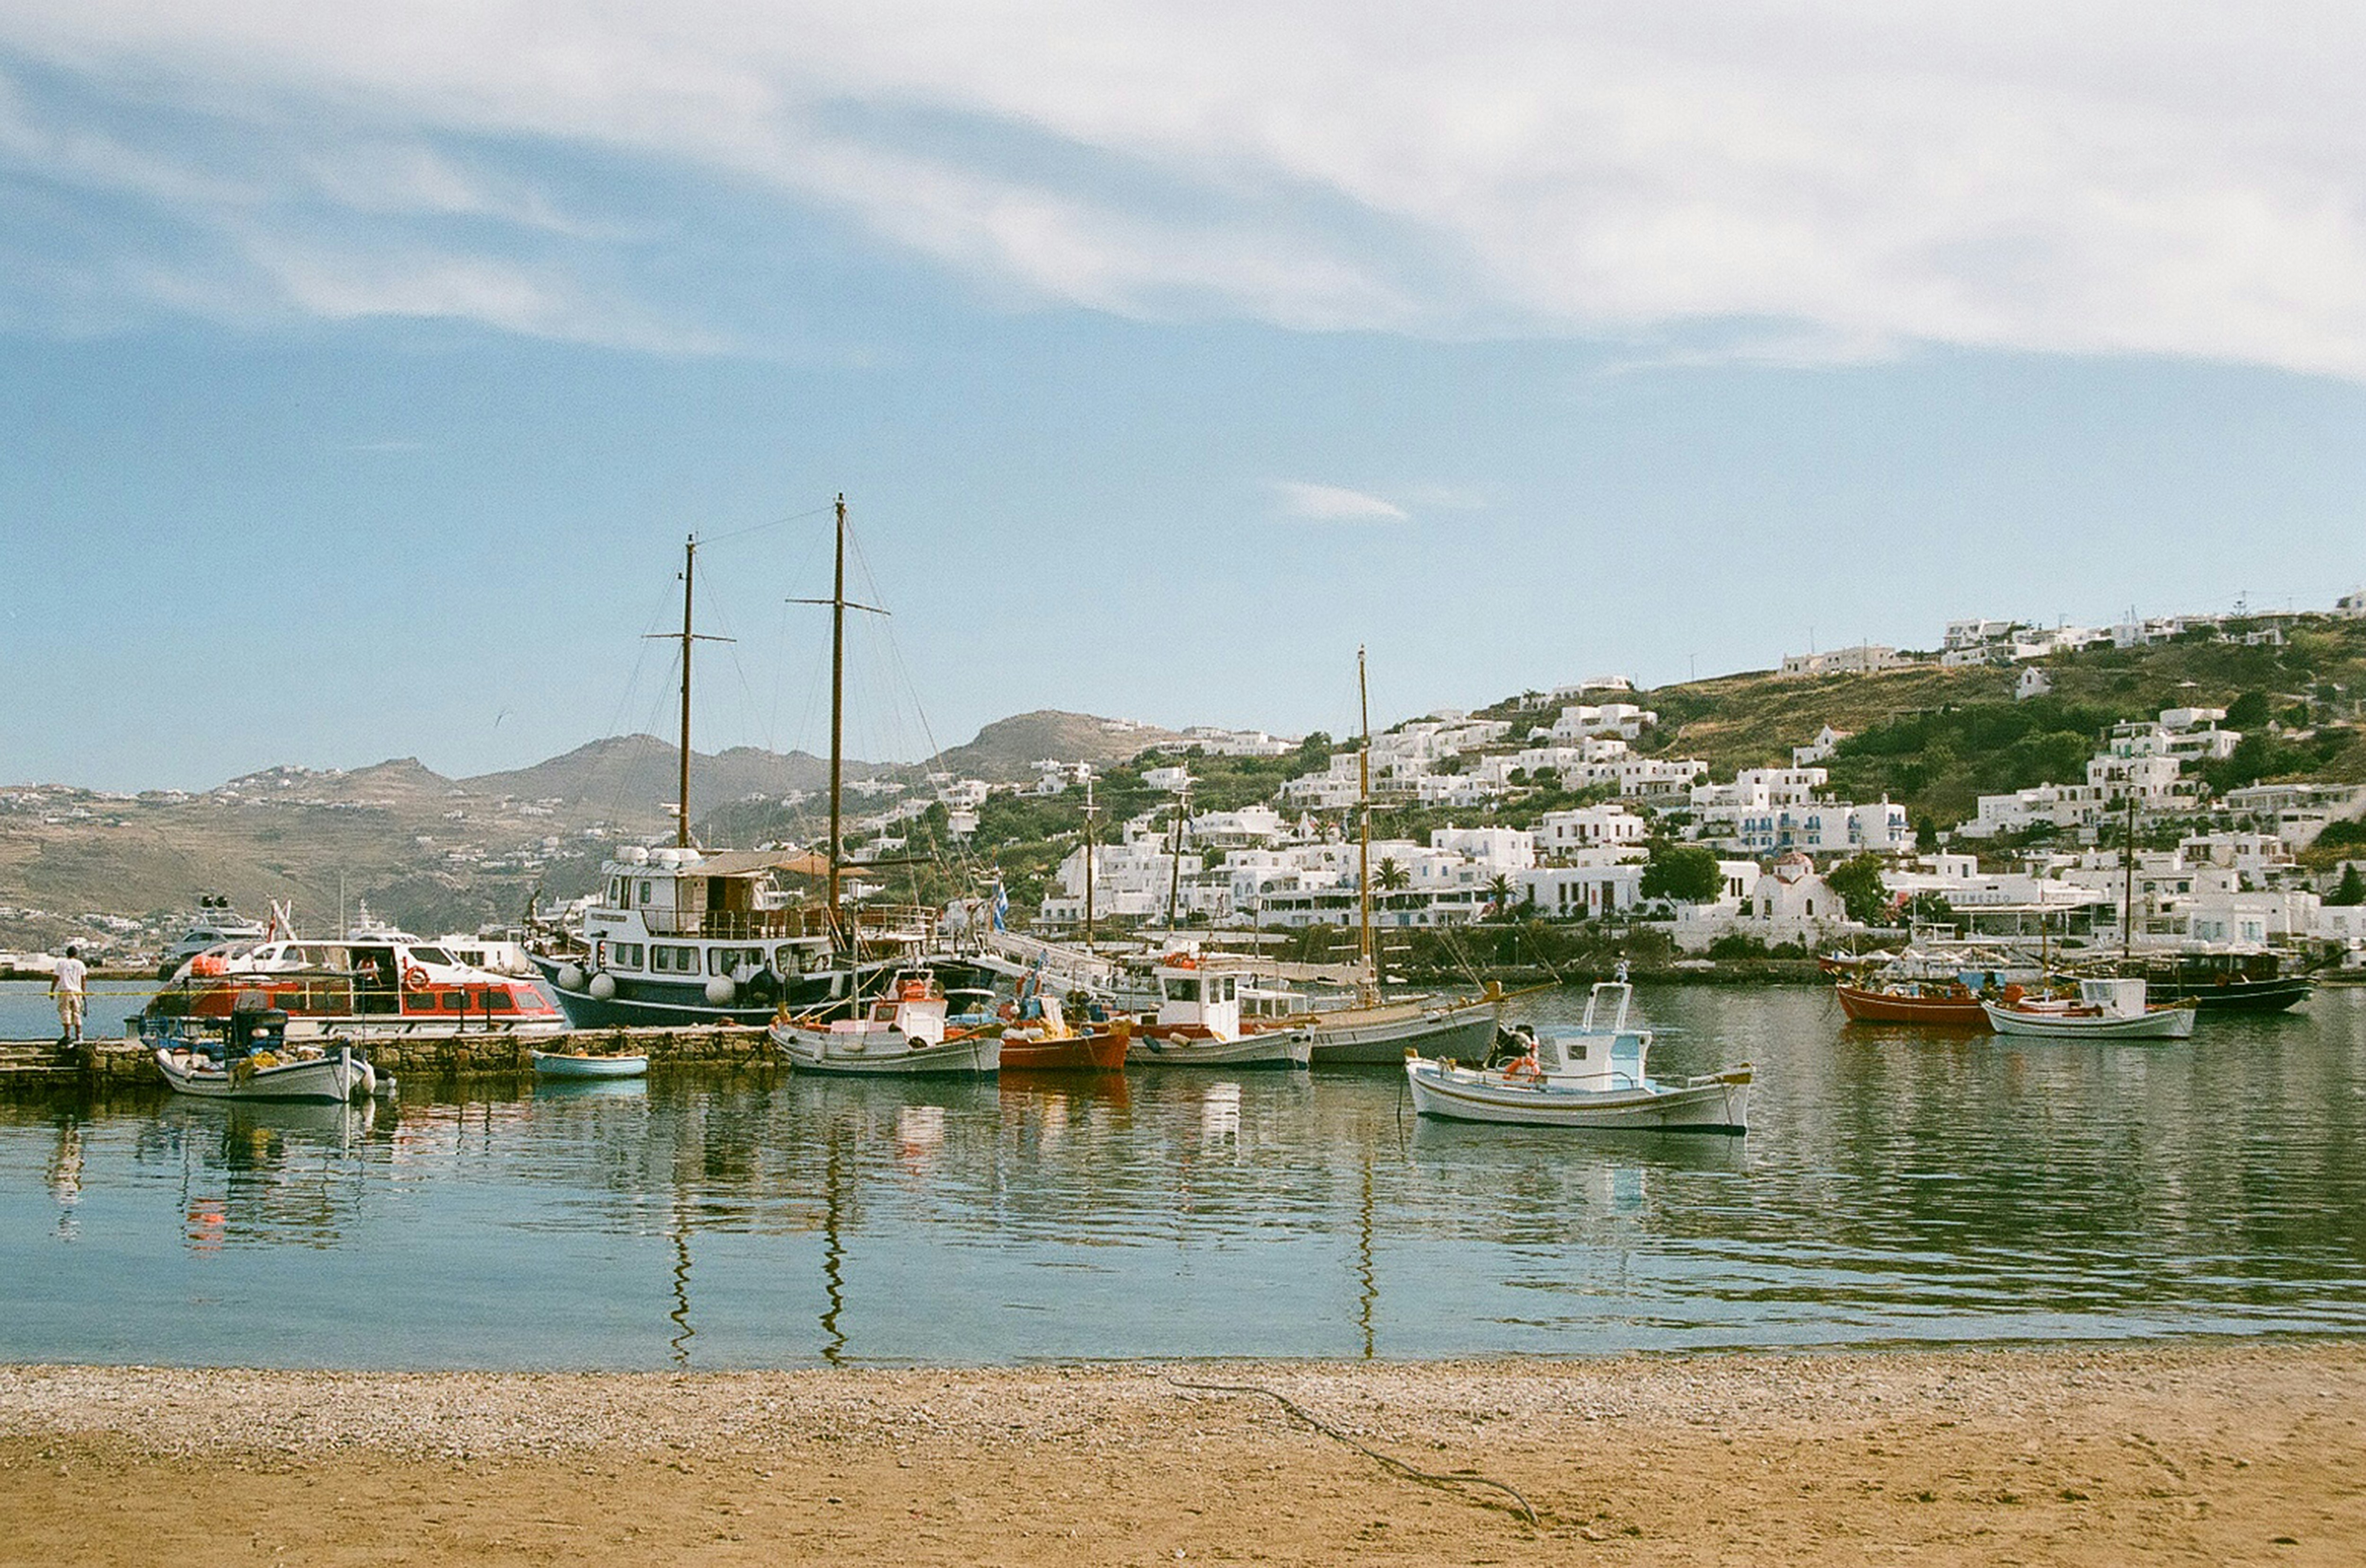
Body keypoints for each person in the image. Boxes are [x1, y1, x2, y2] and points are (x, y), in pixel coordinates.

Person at [51, 944, 89, 1047]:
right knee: (77, 1013)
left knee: (66, 1013)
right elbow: (84, 979)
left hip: (65, 991)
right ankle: (79, 1036)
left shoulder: (61, 963)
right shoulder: (80, 964)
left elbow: (56, 978)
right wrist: (83, 993)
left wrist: (52, 991)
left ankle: (68, 1036)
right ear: (76, 954)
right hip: (77, 992)